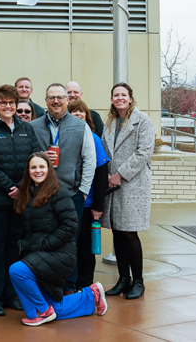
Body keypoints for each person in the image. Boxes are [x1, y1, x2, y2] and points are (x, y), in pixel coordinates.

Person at [8, 152, 108, 326]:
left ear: (49, 169)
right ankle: (91, 295)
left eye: (41, 166)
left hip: (59, 253)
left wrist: (44, 244)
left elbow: (70, 226)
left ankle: (42, 312)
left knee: (17, 270)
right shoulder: (28, 193)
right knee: (56, 309)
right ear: (28, 171)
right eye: (33, 167)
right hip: (41, 253)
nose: (37, 170)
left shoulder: (59, 192)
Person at [0, 84, 43, 316]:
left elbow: (35, 159)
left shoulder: (27, 129)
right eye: (3, 103)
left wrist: (22, 188)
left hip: (19, 201)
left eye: (11, 103)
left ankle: (8, 294)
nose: (8, 106)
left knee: (13, 249)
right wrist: (9, 186)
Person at [29, 83, 96, 293]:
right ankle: (43, 284)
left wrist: (83, 191)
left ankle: (67, 285)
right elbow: (27, 158)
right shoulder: (34, 126)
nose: (56, 101)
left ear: (67, 100)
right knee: (41, 241)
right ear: (45, 100)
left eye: (60, 97)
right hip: (41, 195)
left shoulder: (80, 126)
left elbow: (90, 160)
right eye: (51, 97)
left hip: (71, 194)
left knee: (69, 244)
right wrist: (40, 155)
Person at [102, 82, 154, 300]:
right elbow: (105, 150)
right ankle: (123, 279)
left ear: (131, 98)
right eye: (116, 95)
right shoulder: (111, 122)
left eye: (123, 94)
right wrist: (105, 174)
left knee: (130, 233)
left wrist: (120, 174)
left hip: (132, 184)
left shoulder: (143, 121)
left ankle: (138, 281)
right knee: (117, 231)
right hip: (112, 185)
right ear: (112, 98)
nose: (120, 98)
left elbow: (144, 152)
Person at [68, 99, 110, 290]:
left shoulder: (93, 138)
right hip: (68, 203)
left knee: (85, 248)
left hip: (87, 204)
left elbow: (101, 173)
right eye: (73, 111)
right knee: (71, 247)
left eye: (81, 112)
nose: (78, 114)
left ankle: (85, 285)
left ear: (87, 116)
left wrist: (98, 206)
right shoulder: (64, 136)